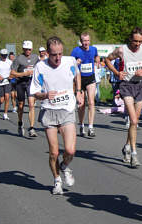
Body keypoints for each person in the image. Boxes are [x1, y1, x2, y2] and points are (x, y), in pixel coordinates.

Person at [30, 36, 83, 195]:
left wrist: (79, 91)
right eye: (54, 55)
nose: (58, 57)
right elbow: (34, 92)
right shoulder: (40, 67)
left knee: (70, 150)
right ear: (47, 53)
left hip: (66, 109)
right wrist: (45, 95)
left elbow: (77, 75)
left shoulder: (70, 61)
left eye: (60, 53)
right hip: (49, 111)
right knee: (54, 152)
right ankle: (57, 180)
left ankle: (65, 166)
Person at [105, 27, 142, 168]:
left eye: (140, 41)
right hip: (126, 85)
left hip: (140, 85)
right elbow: (107, 60)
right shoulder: (122, 50)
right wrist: (117, 72)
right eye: (135, 41)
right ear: (130, 39)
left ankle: (127, 146)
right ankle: (134, 154)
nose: (137, 44)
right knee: (133, 120)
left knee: (135, 122)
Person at [71, 32, 99, 137]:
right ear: (81, 41)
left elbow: (97, 56)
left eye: (87, 40)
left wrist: (97, 61)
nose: (86, 43)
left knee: (91, 102)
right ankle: (82, 124)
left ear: (90, 41)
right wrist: (76, 63)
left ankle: (91, 127)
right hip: (80, 79)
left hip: (91, 78)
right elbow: (71, 65)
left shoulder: (93, 49)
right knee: (81, 104)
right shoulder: (76, 51)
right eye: (84, 41)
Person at [10, 40, 39, 137]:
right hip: (20, 83)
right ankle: (20, 123)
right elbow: (12, 73)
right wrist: (24, 74)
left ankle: (31, 128)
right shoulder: (18, 59)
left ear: (32, 49)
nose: (28, 51)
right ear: (23, 49)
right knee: (21, 105)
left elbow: (40, 68)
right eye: (26, 49)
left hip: (30, 83)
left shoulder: (35, 57)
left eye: (29, 49)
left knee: (31, 104)